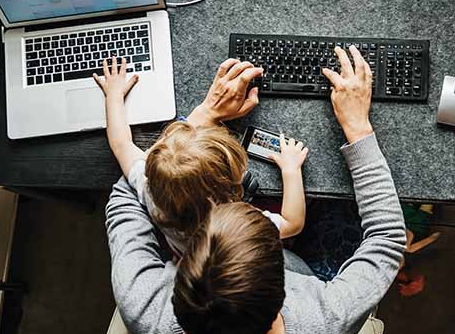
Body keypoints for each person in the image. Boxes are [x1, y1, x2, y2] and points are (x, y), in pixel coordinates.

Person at [104, 45, 407, 334]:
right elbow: (387, 238)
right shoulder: (323, 322)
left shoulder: (142, 307)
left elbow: (127, 192)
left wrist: (200, 120)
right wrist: (358, 127)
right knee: (341, 218)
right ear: (285, 287)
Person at [94, 57, 309, 255]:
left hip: (186, 252)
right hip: (230, 253)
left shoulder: (150, 189)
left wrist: (113, 95)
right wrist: (291, 170)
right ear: (232, 187)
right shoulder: (237, 225)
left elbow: (121, 144)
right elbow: (293, 223)